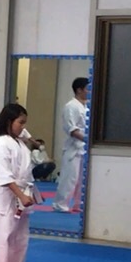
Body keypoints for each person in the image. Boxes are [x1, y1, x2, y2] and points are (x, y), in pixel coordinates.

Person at [0, 103, 38, 262]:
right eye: (20, 122)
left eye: (25, 123)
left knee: (20, 237)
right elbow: (4, 176)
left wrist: (33, 141)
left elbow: (25, 135)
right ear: (9, 122)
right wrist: (21, 196)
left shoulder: (19, 142)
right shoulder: (0, 145)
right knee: (2, 237)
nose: (23, 127)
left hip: (23, 192)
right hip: (7, 195)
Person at [51, 77, 88, 213]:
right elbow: (71, 129)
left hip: (85, 148)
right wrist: (87, 139)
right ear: (79, 90)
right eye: (87, 89)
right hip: (74, 147)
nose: (90, 91)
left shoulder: (87, 106)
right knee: (70, 178)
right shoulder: (71, 106)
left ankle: (79, 204)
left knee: (82, 180)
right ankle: (60, 204)